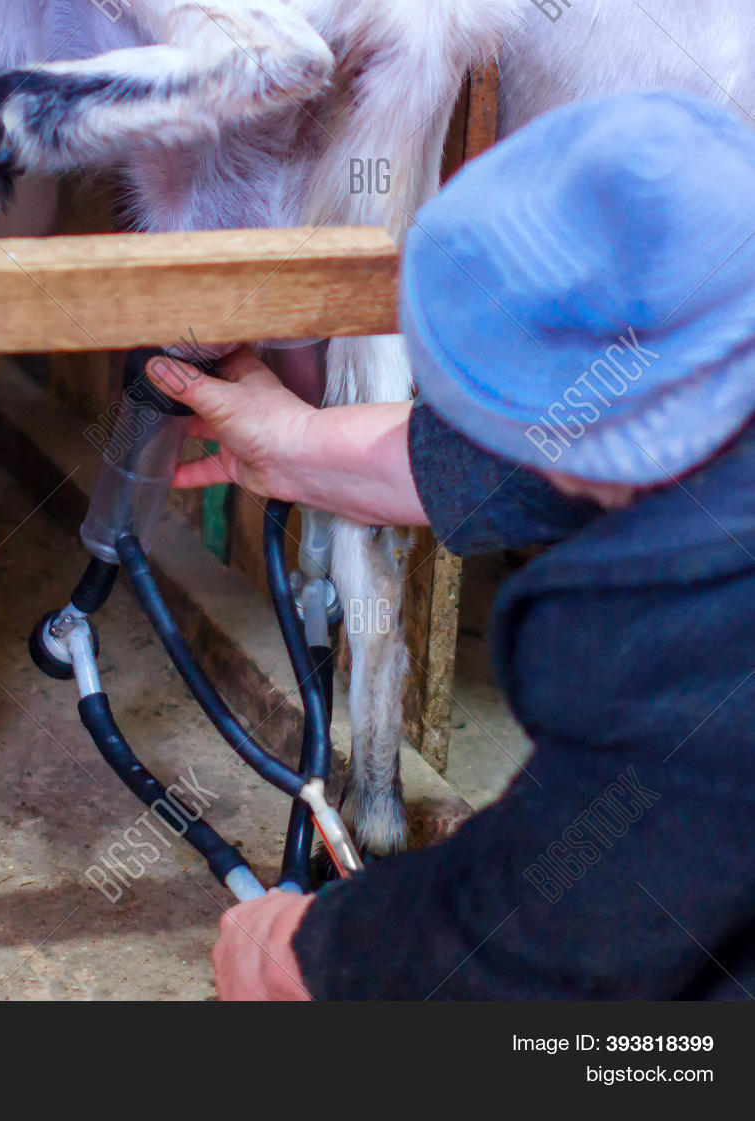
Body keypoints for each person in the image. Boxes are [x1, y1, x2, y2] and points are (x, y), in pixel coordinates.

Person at [148, 90, 755, 999]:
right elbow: (569, 446)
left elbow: (540, 935)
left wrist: (308, 958)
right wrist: (301, 447)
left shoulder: (676, 648)